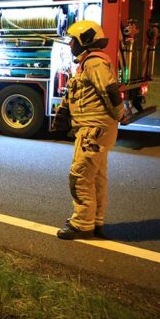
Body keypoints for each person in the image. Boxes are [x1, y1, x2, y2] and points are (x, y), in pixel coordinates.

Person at [51, 20, 125, 240]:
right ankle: (95, 221)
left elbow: (109, 91)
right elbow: (78, 92)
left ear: (84, 40)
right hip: (96, 129)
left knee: (80, 177)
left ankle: (82, 225)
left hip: (93, 130)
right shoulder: (88, 63)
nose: (71, 44)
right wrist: (63, 113)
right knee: (96, 178)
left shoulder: (94, 63)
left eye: (73, 40)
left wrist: (121, 114)